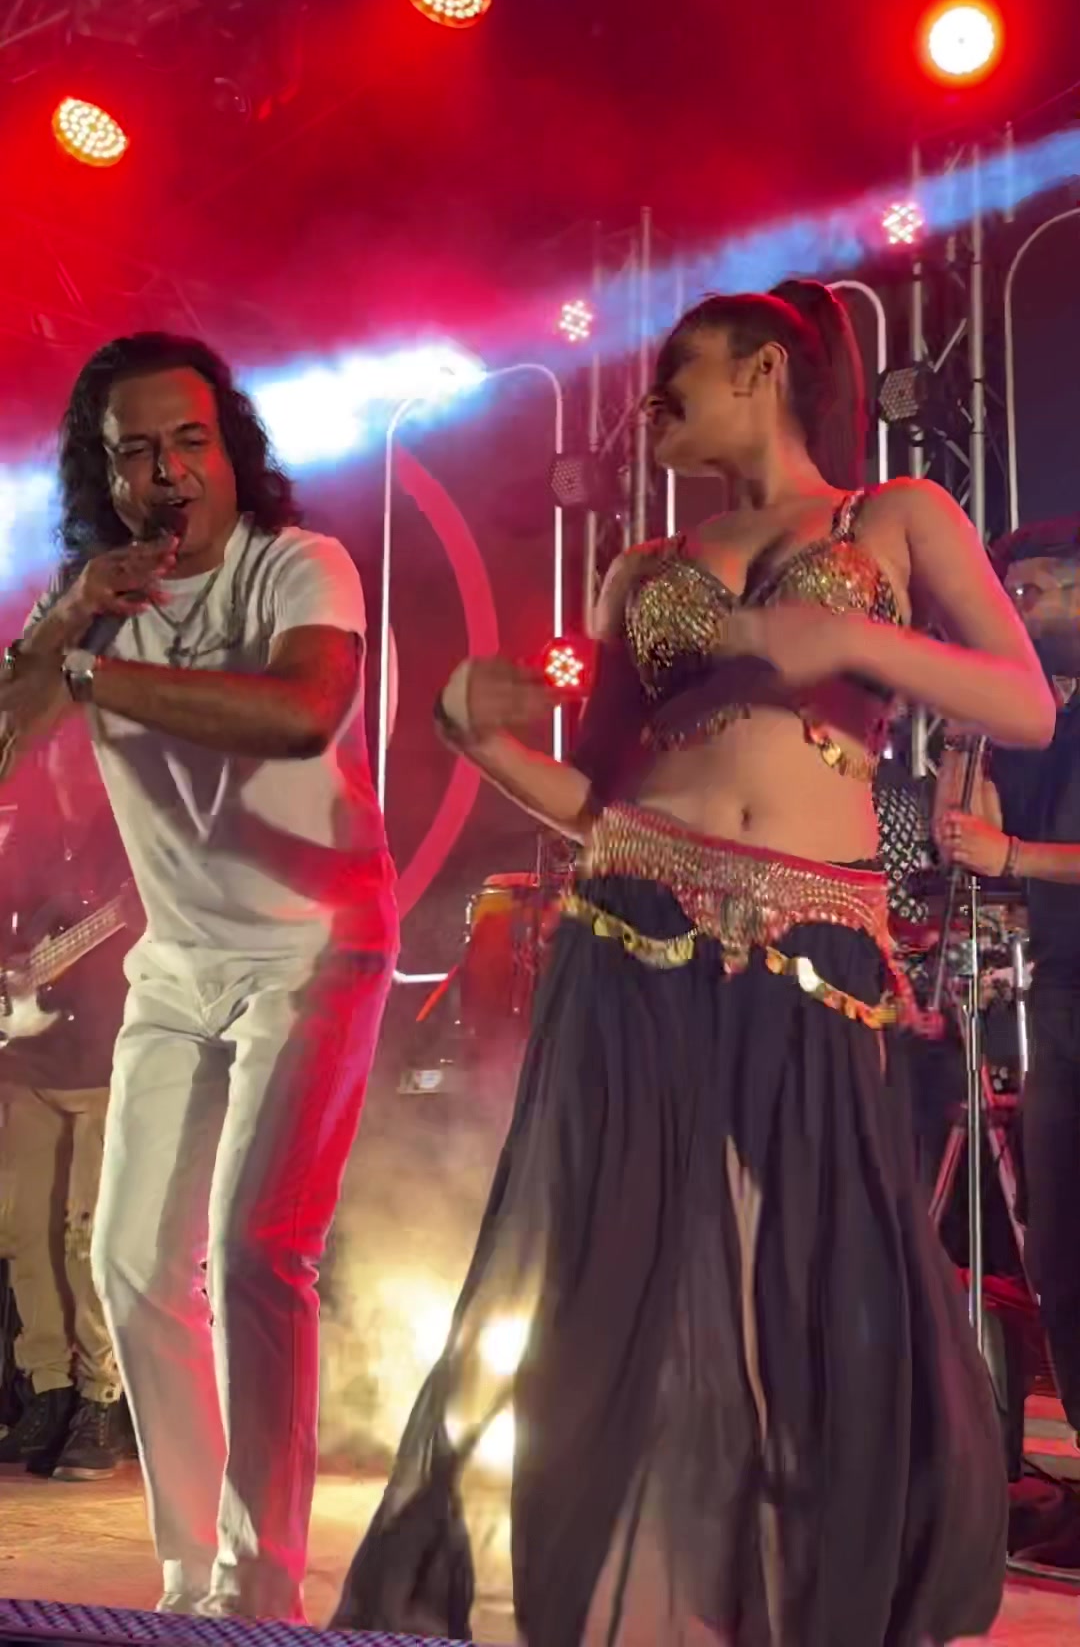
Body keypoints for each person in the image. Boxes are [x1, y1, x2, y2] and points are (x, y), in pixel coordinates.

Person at [335, 280, 1053, 1647]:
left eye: (676, 373)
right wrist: (482, 744)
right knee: (614, 1266)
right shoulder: (642, 567)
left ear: (763, 368)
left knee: (822, 1268)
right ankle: (609, 1595)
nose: (648, 402)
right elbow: (599, 796)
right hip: (630, 920)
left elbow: (1022, 703)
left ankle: (811, 1590)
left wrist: (852, 636)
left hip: (818, 941)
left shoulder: (895, 517)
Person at [0, 333, 397, 1619]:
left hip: (315, 946)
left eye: (190, 442)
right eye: (137, 453)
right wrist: (71, 613)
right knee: (128, 1262)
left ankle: (259, 1588)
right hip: (178, 964)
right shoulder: (95, 607)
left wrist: (89, 668)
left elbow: (301, 713)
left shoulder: (301, 564)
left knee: (253, 1251)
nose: (168, 473)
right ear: (105, 474)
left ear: (230, 453)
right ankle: (189, 1581)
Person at [936, 518, 1080, 1492]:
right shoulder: (1044, 727)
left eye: (1029, 596)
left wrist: (1018, 857)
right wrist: (964, 733)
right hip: (1063, 999)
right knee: (1061, 1251)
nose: (1014, 617)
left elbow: (1011, 853)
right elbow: (969, 841)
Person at [0, 722, 136, 1480]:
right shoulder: (28, 835)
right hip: (28, 1063)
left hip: (107, 1059)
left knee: (87, 1239)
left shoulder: (131, 832)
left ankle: (100, 1398)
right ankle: (47, 1389)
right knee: (26, 1236)